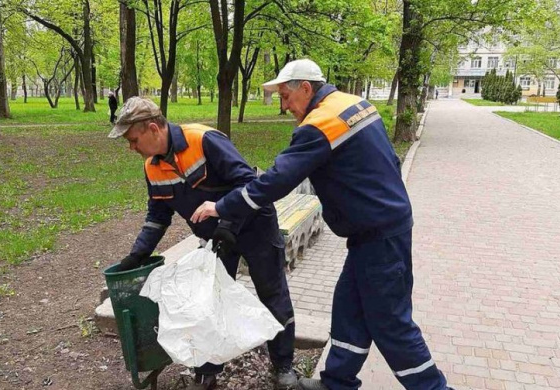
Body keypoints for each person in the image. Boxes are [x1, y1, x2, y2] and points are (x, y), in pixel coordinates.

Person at [191, 59, 451, 390]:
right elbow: (389, 159)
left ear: (306, 88)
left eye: (286, 96)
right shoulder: (354, 104)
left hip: (380, 237)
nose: (285, 106)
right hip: (375, 230)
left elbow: (277, 180)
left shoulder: (319, 124)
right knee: (349, 311)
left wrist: (222, 206)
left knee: (391, 324)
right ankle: (337, 382)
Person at [109, 97, 297, 390]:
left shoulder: (203, 140)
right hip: (217, 239)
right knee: (208, 300)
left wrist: (226, 224)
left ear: (154, 128)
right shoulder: (152, 167)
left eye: (133, 139)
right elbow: (158, 214)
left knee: (272, 293)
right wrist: (137, 255)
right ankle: (207, 372)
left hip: (255, 225)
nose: (131, 147)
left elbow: (247, 183)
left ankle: (284, 365)